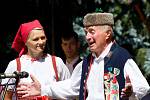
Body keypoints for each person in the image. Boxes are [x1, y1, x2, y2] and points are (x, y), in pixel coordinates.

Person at [17, 12, 150, 100]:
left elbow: (143, 90)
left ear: (107, 34)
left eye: (92, 32)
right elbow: (72, 87)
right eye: (86, 32)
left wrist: (131, 93)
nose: (87, 37)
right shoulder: (87, 63)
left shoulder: (122, 58)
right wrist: (42, 89)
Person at [1, 19, 70, 100]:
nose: (41, 42)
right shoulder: (15, 65)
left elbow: (68, 89)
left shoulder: (57, 62)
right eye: (35, 39)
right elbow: (6, 96)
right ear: (26, 42)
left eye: (43, 38)